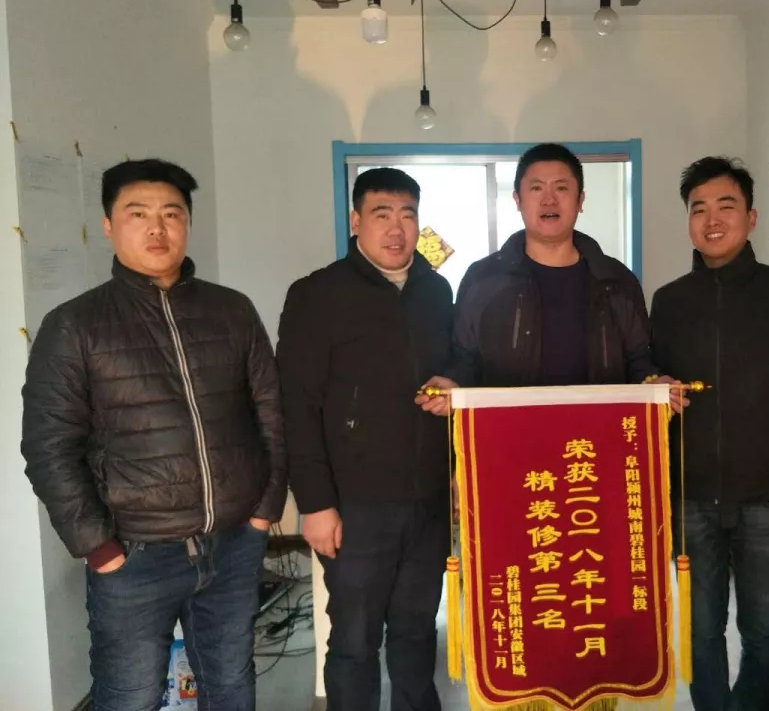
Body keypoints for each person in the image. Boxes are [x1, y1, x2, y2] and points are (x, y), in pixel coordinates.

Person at [21, 159, 287, 711]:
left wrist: (264, 511)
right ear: (108, 225)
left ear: (187, 222)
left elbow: (270, 413)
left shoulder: (231, 311)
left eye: (172, 213)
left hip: (233, 544)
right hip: (134, 555)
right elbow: (48, 447)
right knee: (130, 696)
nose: (157, 228)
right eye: (137, 214)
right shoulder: (75, 325)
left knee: (232, 686)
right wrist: (99, 548)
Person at [649, 157, 769, 711]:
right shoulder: (669, 302)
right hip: (690, 495)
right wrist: (653, 386)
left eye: (725, 206)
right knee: (701, 628)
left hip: (767, 495)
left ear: (751, 217)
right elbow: (651, 390)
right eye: (698, 209)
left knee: (762, 627)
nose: (712, 220)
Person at [276, 167, 454, 711]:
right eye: (382, 214)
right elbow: (296, 406)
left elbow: (457, 366)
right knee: (355, 640)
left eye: (407, 215)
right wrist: (315, 503)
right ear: (356, 221)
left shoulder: (436, 290)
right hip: (354, 505)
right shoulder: (317, 294)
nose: (396, 228)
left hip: (427, 501)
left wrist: (455, 383)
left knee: (417, 632)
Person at [418, 142, 666, 411]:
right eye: (536, 188)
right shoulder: (483, 278)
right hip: (510, 430)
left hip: (598, 431)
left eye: (561, 188)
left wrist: (655, 383)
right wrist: (453, 385)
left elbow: (639, 359)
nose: (549, 200)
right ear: (518, 200)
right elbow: (465, 358)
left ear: (580, 201)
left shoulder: (616, 280)